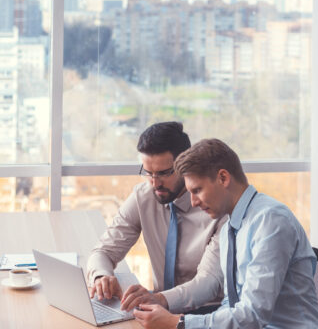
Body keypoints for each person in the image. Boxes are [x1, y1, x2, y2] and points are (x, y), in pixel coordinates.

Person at [133, 138, 318, 329]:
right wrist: (163, 305)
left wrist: (179, 323)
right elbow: (221, 294)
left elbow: (252, 316)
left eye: (197, 190)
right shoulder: (230, 228)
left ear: (223, 178)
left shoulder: (270, 221)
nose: (193, 202)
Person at [87, 122, 226, 313]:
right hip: (158, 308)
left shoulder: (217, 208)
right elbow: (102, 251)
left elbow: (207, 284)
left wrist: (159, 299)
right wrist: (101, 277)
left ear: (186, 165)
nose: (154, 183)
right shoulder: (144, 196)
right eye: (148, 173)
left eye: (163, 173)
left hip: (208, 313)